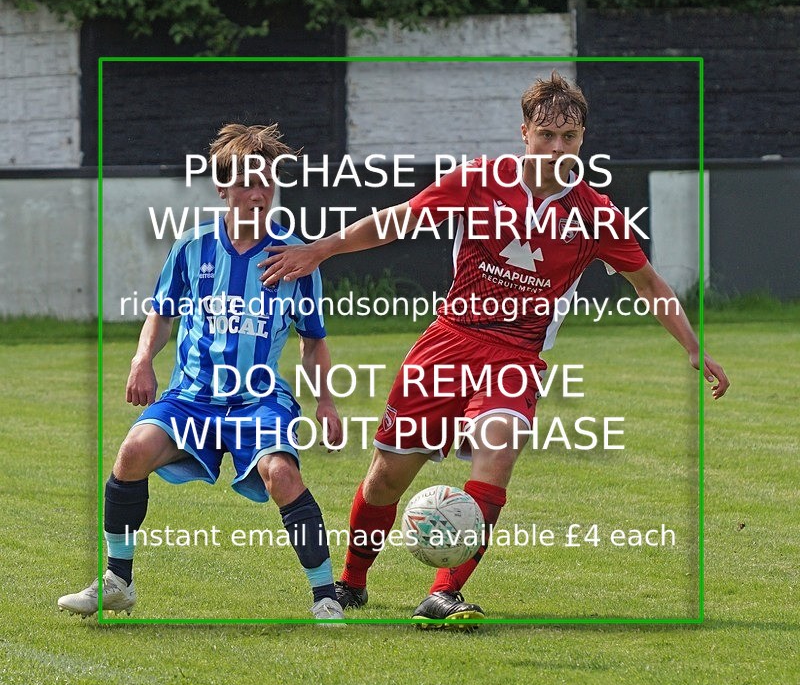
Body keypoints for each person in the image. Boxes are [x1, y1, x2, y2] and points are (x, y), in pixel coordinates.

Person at [259, 72, 730, 626]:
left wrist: (694, 348)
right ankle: (353, 580)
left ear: (583, 140)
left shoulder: (595, 213)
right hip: (449, 342)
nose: (558, 148)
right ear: (524, 132)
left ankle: (443, 593)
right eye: (547, 135)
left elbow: (648, 284)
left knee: (497, 454)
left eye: (570, 137)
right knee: (388, 474)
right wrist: (319, 250)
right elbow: (394, 224)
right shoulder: (479, 181)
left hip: (516, 355)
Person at [59, 123, 345, 621]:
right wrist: (142, 360)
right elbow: (162, 312)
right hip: (191, 395)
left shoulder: (294, 256)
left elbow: (313, 338)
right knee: (132, 452)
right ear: (223, 189)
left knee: (282, 475)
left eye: (266, 183)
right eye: (245, 184)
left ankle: (325, 598)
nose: (257, 194)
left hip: (257, 399)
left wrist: (325, 401)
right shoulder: (192, 247)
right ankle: (117, 582)